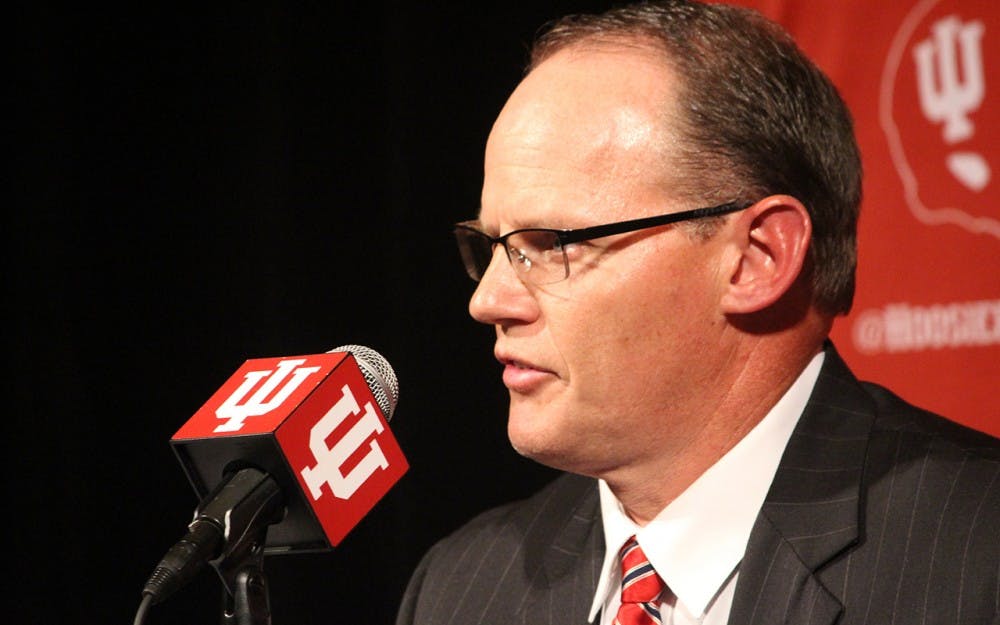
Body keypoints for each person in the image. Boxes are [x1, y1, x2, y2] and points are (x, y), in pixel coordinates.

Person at [396, 2, 1000, 624]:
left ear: (757, 258)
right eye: (491, 246)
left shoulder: (976, 557)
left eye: (552, 243)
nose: (487, 301)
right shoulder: (461, 586)